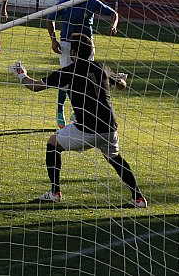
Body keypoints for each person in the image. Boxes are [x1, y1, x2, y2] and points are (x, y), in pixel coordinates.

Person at [9, 33, 147, 208]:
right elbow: (121, 85)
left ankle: (55, 192)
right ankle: (139, 198)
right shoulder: (101, 67)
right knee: (115, 158)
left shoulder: (69, 71)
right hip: (110, 127)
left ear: (73, 52)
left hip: (87, 129)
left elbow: (34, 86)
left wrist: (21, 74)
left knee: (53, 143)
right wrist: (119, 80)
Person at [46, 0, 118, 128]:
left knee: (85, 79)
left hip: (86, 46)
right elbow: (49, 19)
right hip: (67, 45)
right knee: (66, 78)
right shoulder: (64, 3)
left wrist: (113, 25)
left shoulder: (91, 2)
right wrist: (53, 40)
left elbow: (114, 14)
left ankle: (77, 112)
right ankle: (60, 110)